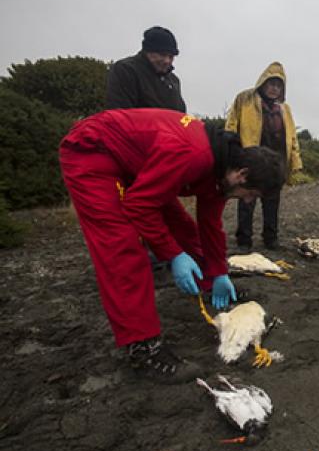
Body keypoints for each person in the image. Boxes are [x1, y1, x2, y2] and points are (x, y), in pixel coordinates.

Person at [59, 108, 285, 382]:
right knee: (123, 247)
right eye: (251, 195)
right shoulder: (193, 155)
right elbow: (139, 206)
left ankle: (208, 283)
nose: (248, 201)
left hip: (138, 162)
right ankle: (144, 349)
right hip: (94, 150)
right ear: (242, 174)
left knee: (187, 231)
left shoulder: (221, 168)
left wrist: (218, 271)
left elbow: (209, 224)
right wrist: (173, 254)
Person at [225, 62, 302, 251]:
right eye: (271, 83)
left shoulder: (285, 109)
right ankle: (244, 238)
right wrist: (232, 151)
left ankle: (271, 238)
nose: (274, 88)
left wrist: (295, 159)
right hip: (251, 159)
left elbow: (292, 136)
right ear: (263, 82)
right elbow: (231, 125)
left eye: (279, 85)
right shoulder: (244, 99)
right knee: (246, 198)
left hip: (275, 163)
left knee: (272, 200)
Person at [106, 26, 186, 112]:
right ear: (148, 51)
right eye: (162, 54)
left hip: (171, 125)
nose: (167, 60)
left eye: (171, 56)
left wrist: (192, 123)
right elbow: (120, 114)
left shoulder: (174, 81)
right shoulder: (125, 70)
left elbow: (182, 117)